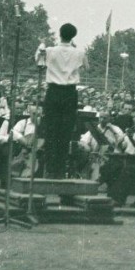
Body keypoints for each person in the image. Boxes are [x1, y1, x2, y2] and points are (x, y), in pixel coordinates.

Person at [35, 23, 88, 178]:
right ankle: (59, 170)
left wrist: (41, 45)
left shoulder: (50, 50)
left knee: (51, 130)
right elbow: (87, 67)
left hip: (54, 91)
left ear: (60, 34)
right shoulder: (79, 52)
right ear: (73, 36)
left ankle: (50, 168)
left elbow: (38, 60)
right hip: (70, 93)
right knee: (65, 131)